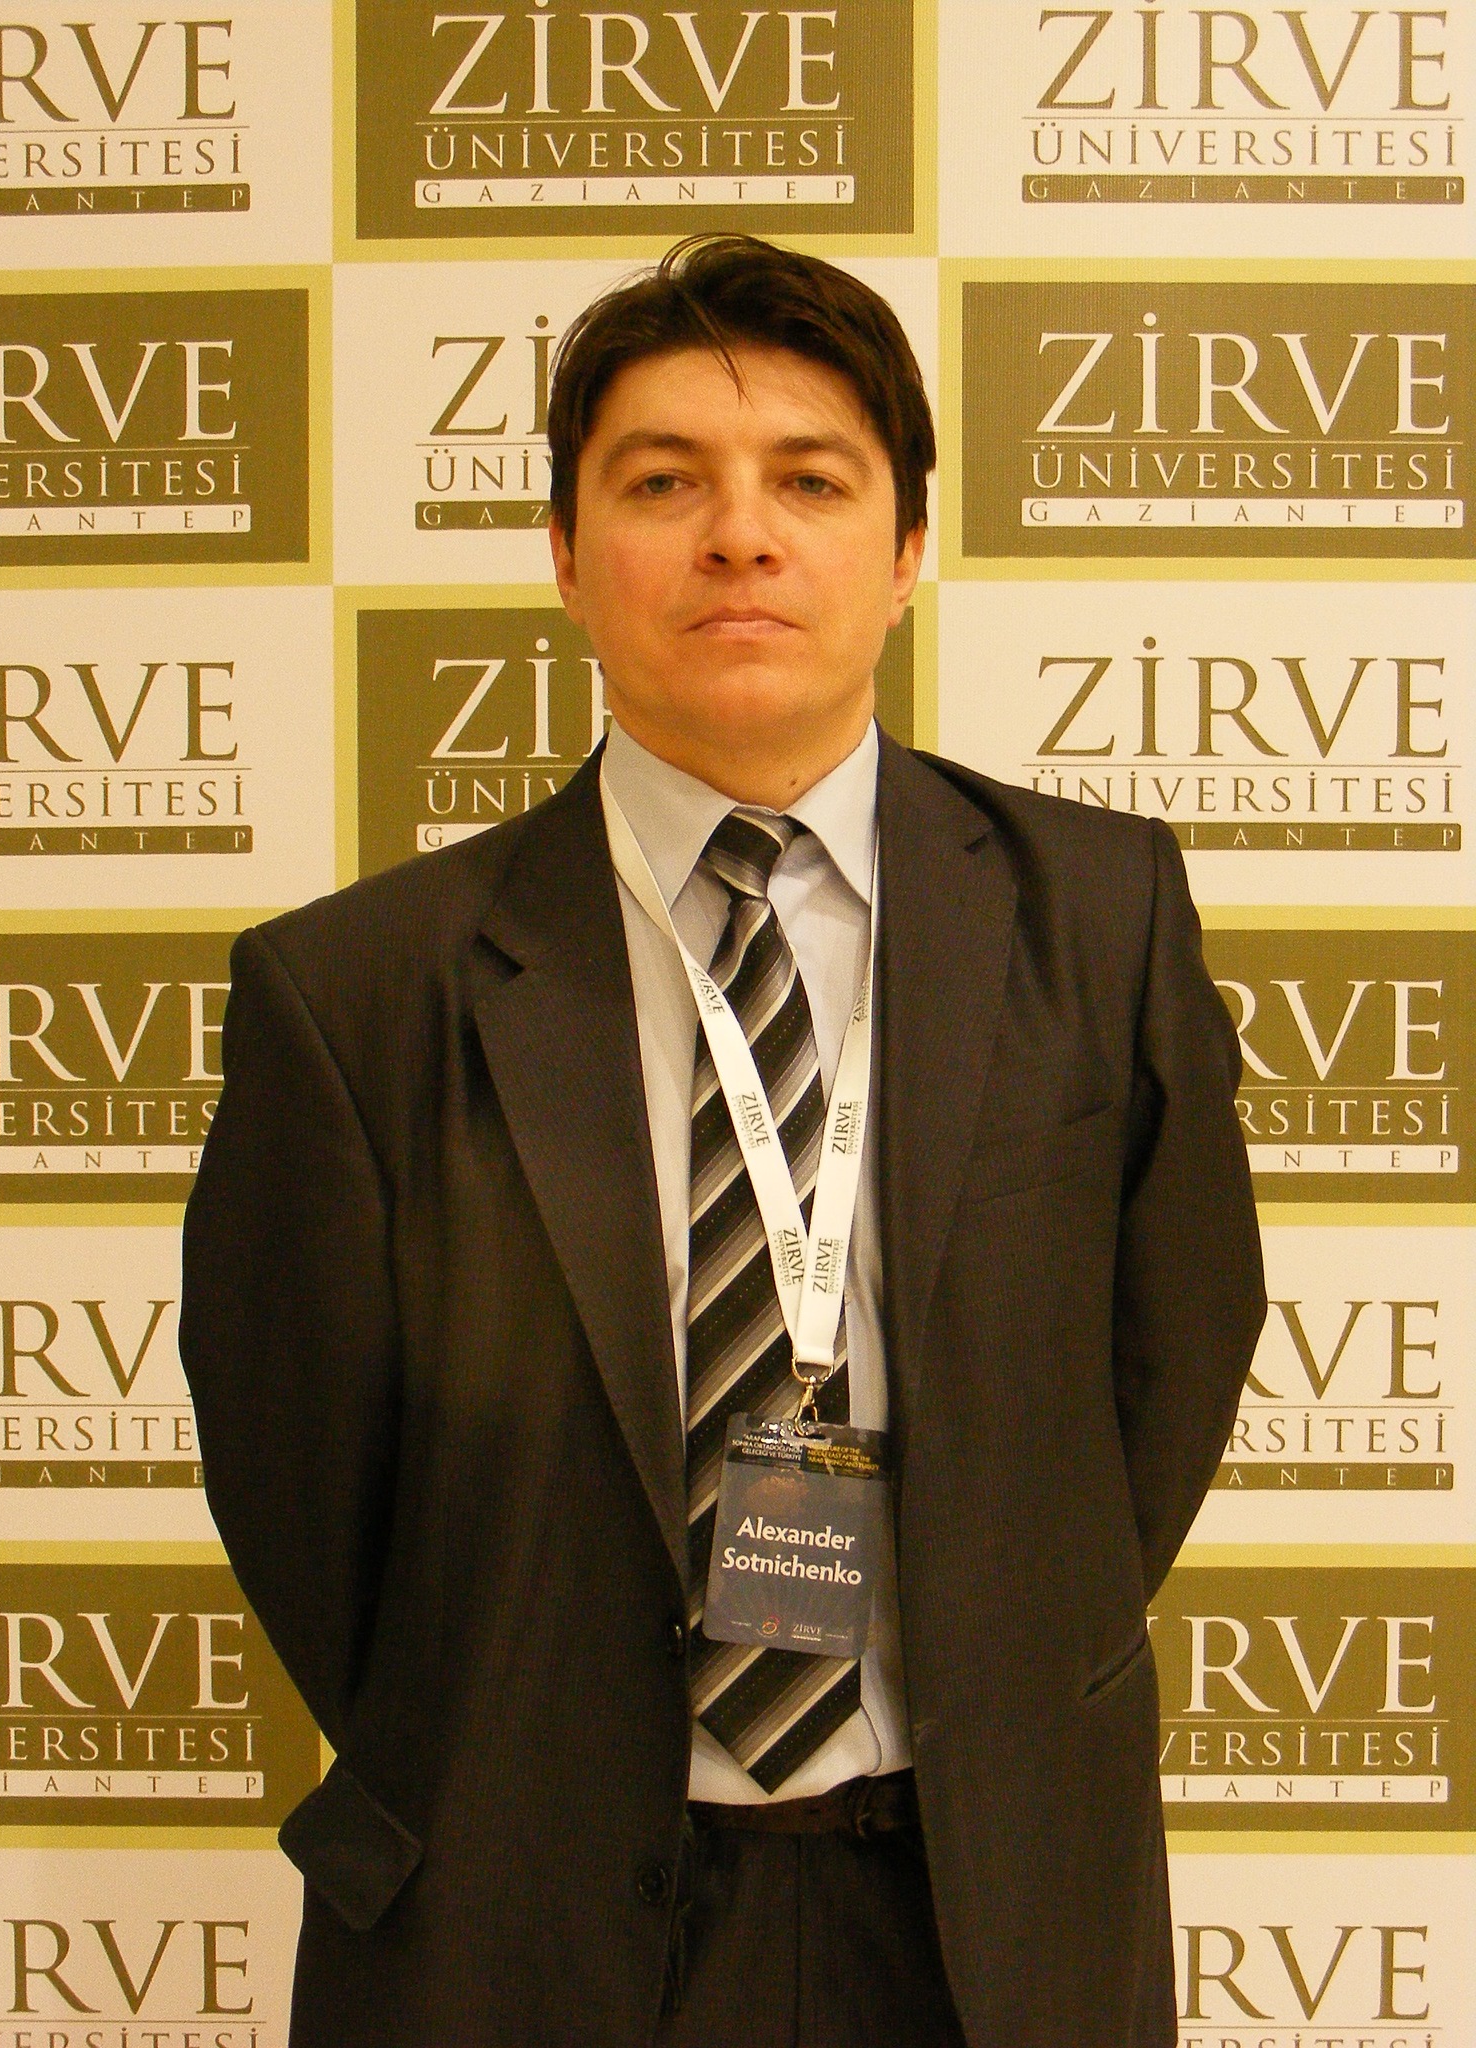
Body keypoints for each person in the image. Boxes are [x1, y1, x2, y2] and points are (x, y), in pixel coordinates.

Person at [180, 235, 1266, 2048]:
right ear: (564, 553)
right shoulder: (356, 989)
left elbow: (1170, 1366)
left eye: (810, 482)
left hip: (986, 1919)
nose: (740, 537)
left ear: (906, 549)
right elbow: (301, 1489)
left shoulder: (1100, 914)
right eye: (664, 482)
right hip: (511, 1927)